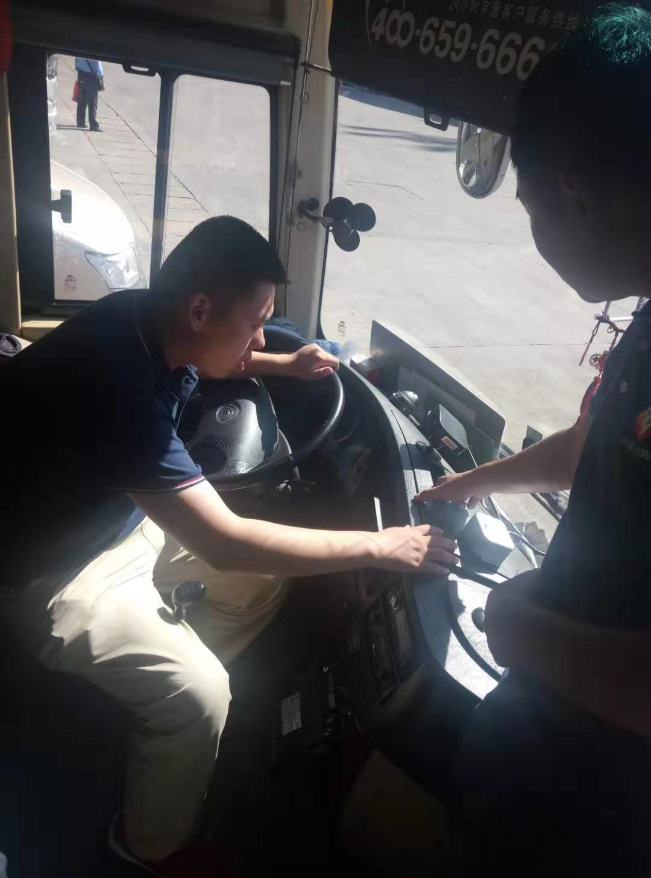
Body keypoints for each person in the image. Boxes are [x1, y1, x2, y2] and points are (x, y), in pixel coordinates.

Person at [2, 216, 456, 876]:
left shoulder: (141, 319)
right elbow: (225, 540)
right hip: (52, 573)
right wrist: (379, 546)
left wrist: (286, 365)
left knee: (262, 581)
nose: (262, 336)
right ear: (199, 309)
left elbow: (220, 358)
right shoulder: (118, 387)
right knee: (202, 694)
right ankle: (147, 846)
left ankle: (157, 723)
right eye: (258, 321)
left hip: (111, 522)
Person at [416, 5, 651, 875]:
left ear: (575, 194)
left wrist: (521, 630)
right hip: (551, 758)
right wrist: (467, 484)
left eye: (527, 205)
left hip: (604, 814)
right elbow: (601, 445)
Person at [75, 57, 104, 132]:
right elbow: (98, 69)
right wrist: (102, 82)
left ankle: (80, 122)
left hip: (81, 76)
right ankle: (93, 125)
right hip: (91, 79)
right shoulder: (94, 54)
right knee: (92, 103)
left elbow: (76, 66)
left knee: (81, 101)